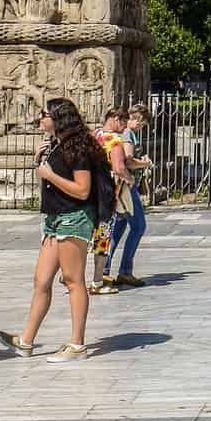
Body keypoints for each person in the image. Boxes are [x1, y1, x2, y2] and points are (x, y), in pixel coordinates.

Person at [0, 98, 106, 363]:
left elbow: (82, 190)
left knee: (73, 280)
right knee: (41, 280)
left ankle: (77, 344)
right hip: (54, 218)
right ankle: (26, 340)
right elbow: (48, 180)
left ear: (58, 118)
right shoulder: (56, 145)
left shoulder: (77, 147)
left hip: (73, 217)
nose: (39, 118)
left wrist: (49, 175)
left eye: (44, 114)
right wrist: (41, 162)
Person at [89, 107, 135, 295]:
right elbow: (118, 167)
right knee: (102, 238)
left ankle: (68, 273)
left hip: (88, 190)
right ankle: (97, 282)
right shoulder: (114, 141)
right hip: (105, 193)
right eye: (123, 123)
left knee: (84, 235)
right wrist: (129, 179)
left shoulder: (94, 135)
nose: (124, 128)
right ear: (115, 119)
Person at [108, 103, 153, 288]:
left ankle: (104, 269)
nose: (141, 128)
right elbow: (127, 160)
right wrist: (144, 163)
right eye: (141, 124)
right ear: (134, 119)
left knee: (118, 228)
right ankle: (125, 271)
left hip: (121, 186)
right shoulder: (128, 134)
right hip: (127, 185)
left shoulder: (124, 133)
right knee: (138, 226)